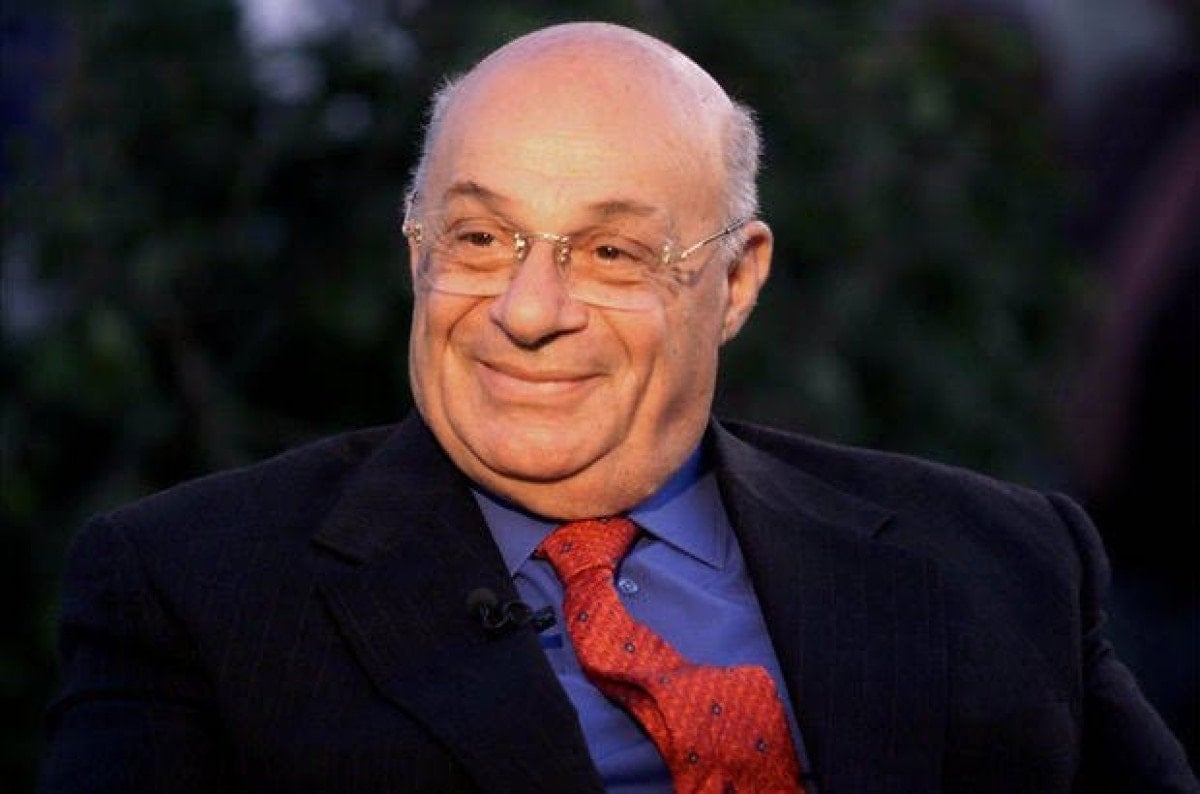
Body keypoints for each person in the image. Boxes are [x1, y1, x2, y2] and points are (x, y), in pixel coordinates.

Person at [39, 21, 1198, 793]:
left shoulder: (1000, 561)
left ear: (735, 281)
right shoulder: (193, 590)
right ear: (414, 251)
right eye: (480, 238)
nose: (528, 311)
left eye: (609, 252)